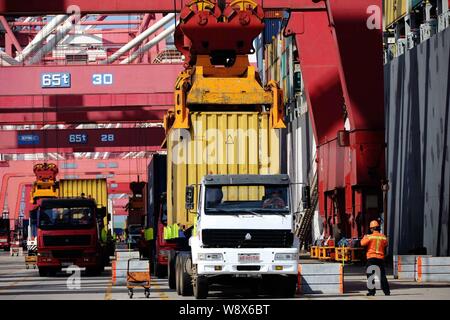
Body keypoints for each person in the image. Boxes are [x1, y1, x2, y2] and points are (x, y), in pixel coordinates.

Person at [361, 220, 390, 296]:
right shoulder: (383, 237)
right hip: (380, 258)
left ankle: (371, 292)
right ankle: (387, 292)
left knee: (370, 275)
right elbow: (386, 244)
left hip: (371, 258)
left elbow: (362, 243)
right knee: (382, 276)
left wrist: (364, 237)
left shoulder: (369, 237)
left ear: (372, 229)